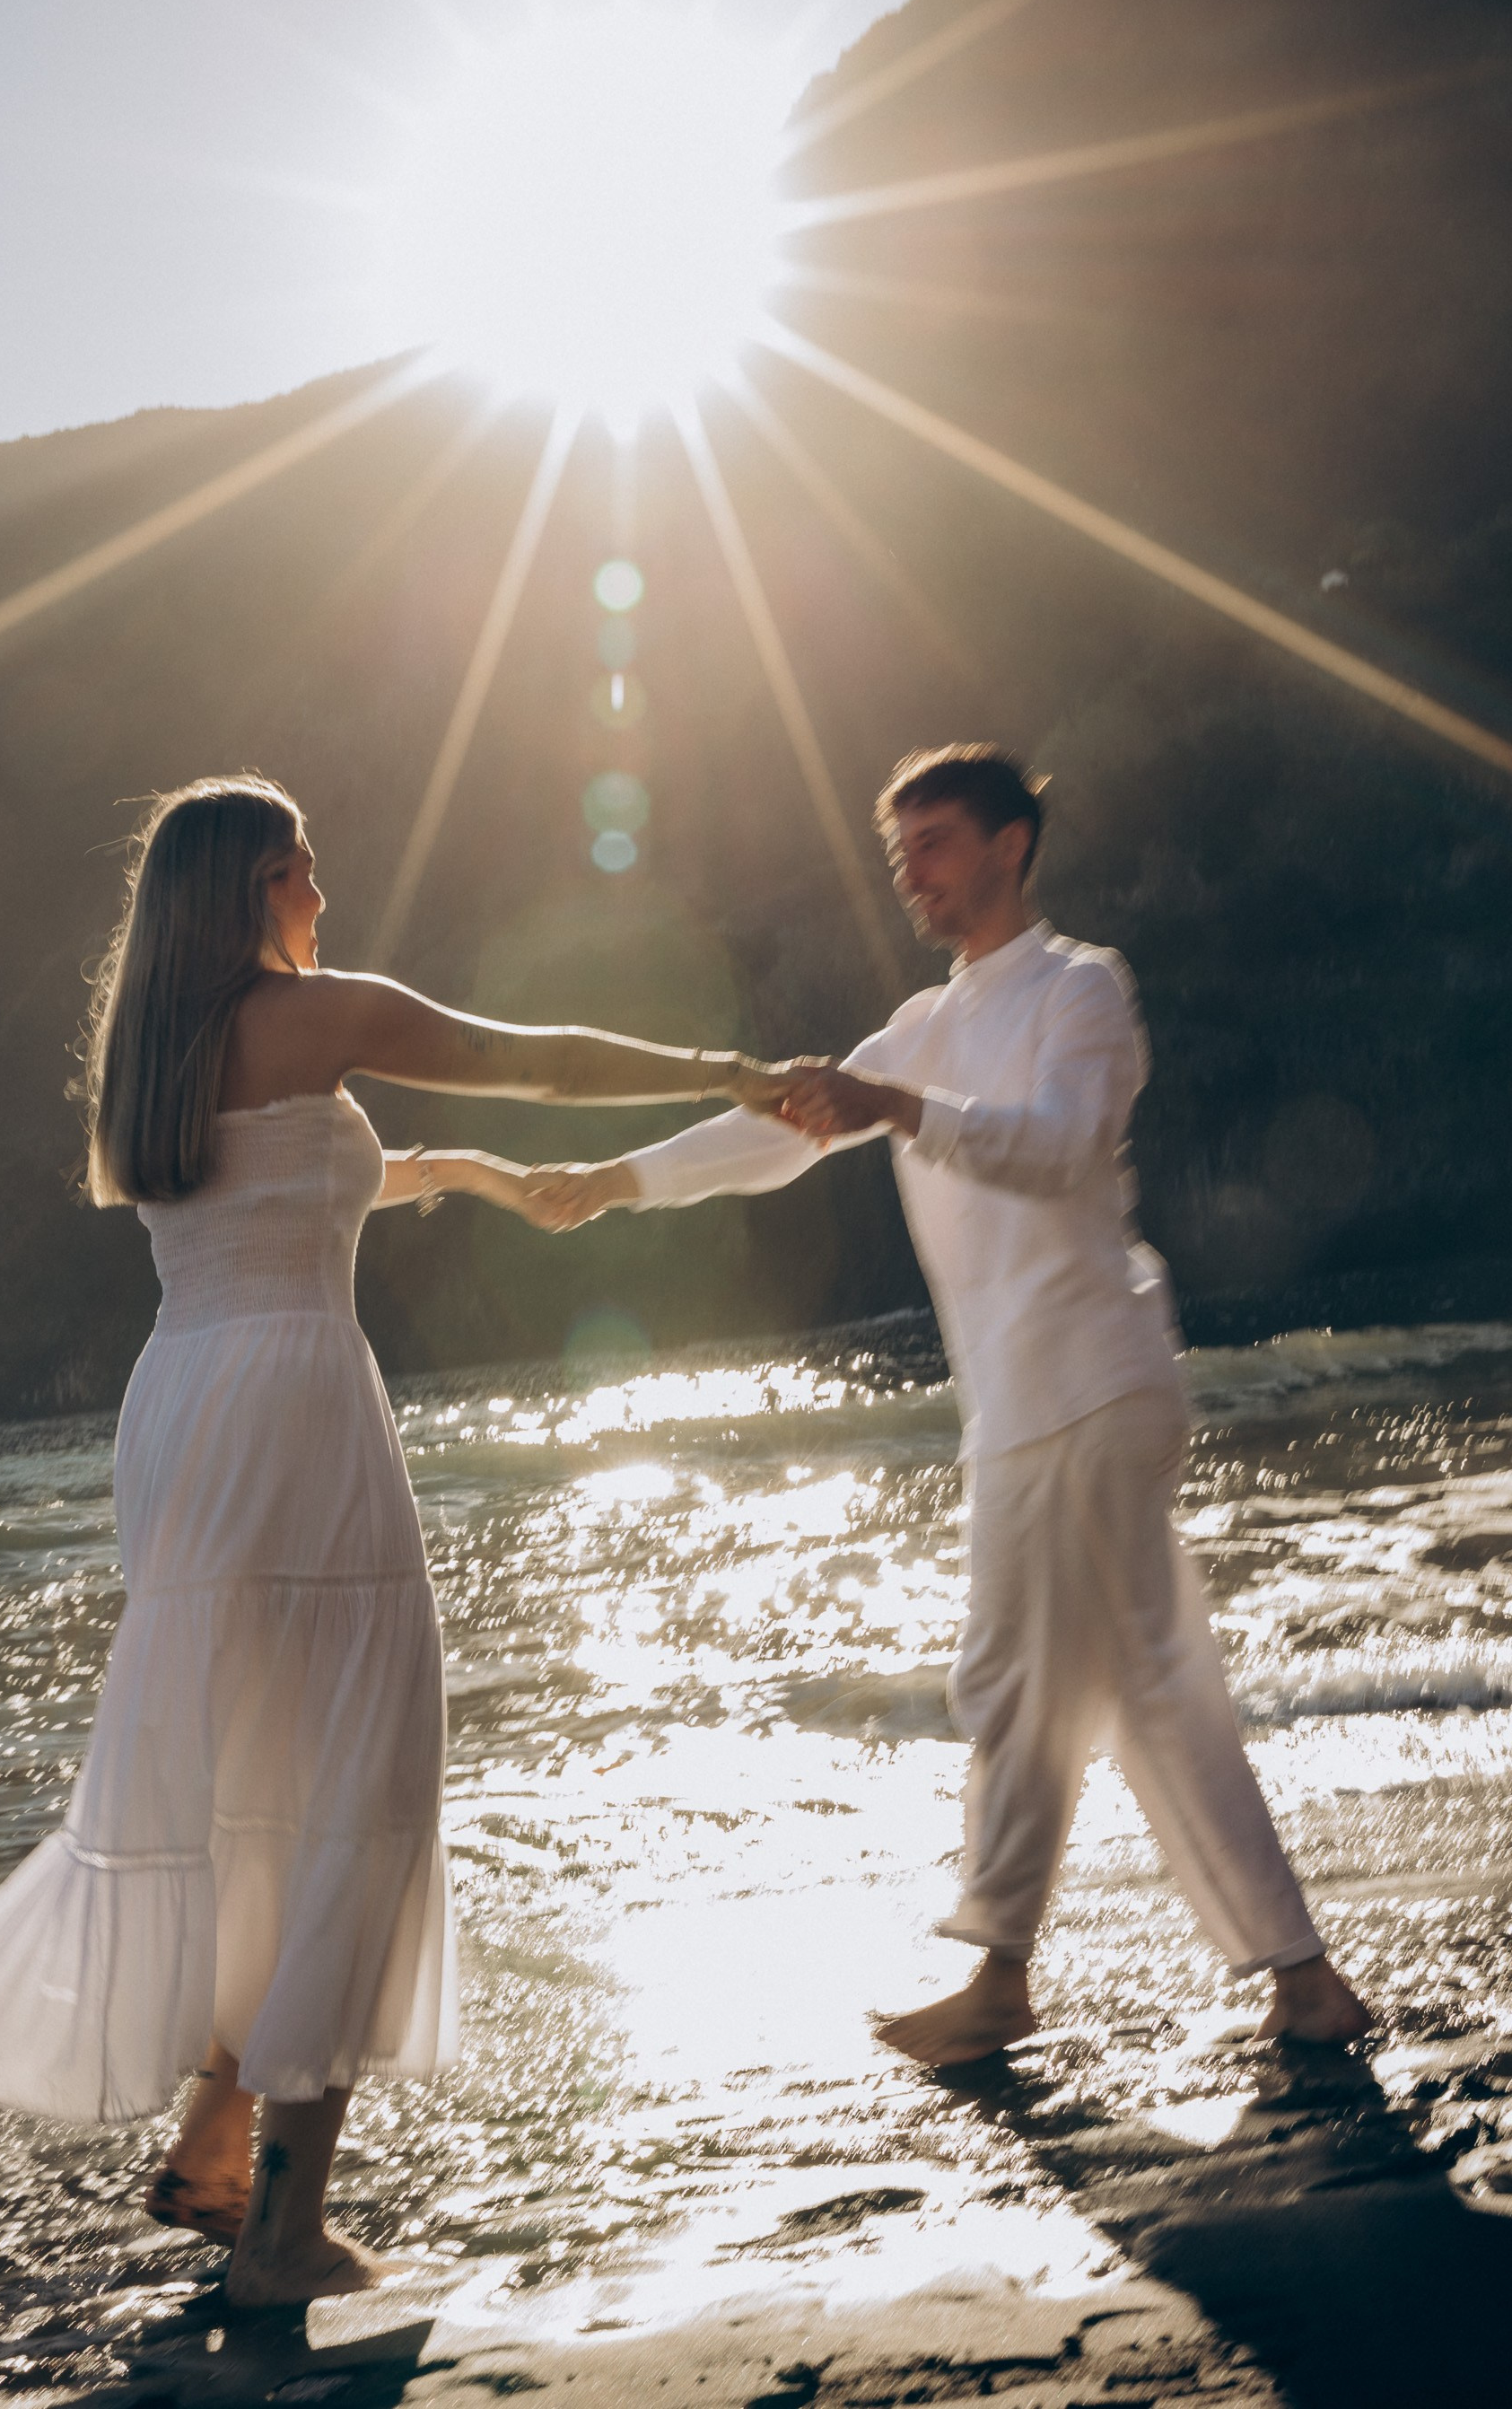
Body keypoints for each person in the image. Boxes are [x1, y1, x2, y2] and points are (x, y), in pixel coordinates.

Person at [0, 774, 793, 2307]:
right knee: (364, 1784)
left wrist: (469, 1179)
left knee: (258, 1783)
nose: (322, 893)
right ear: (253, 885)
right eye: (302, 868)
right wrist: (734, 1071)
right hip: (296, 1400)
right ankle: (284, 2235)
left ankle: (216, 2154)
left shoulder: (158, 1049)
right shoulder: (316, 1015)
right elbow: (536, 1061)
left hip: (185, 1407)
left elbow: (285, 1189)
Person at [525, 743, 1369, 2066]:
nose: (912, 874)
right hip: (1021, 1405)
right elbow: (778, 1128)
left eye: (935, 845)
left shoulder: (1081, 986)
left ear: (1009, 846)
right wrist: (616, 1182)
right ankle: (1114, 1978)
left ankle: (1103, 1979)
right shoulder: (921, 1025)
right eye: (900, 853)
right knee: (1045, 1689)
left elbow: (1061, 1145)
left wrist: (898, 1105)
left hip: (1093, 1380)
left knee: (1110, 1680)